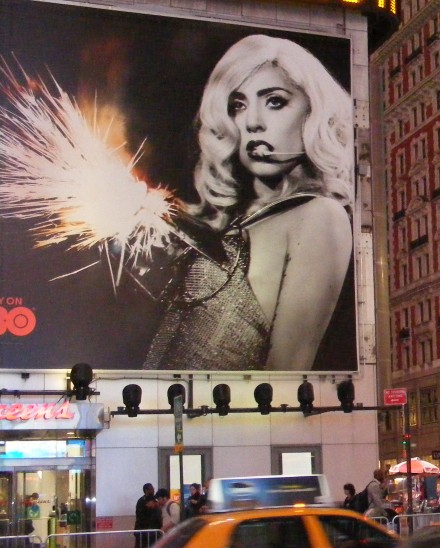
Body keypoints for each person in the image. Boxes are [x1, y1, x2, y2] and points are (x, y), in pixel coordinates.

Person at [143, 34, 355, 373]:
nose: (253, 122)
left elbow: (287, 372)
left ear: (314, 110)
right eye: (237, 106)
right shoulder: (232, 219)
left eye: (275, 101)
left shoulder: (319, 216)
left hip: (232, 408)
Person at [133, 483, 160, 548]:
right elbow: (141, 515)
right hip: (142, 529)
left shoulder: (155, 499)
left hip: (153, 530)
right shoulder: (142, 501)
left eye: (153, 488)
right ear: (146, 490)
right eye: (151, 489)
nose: (153, 490)